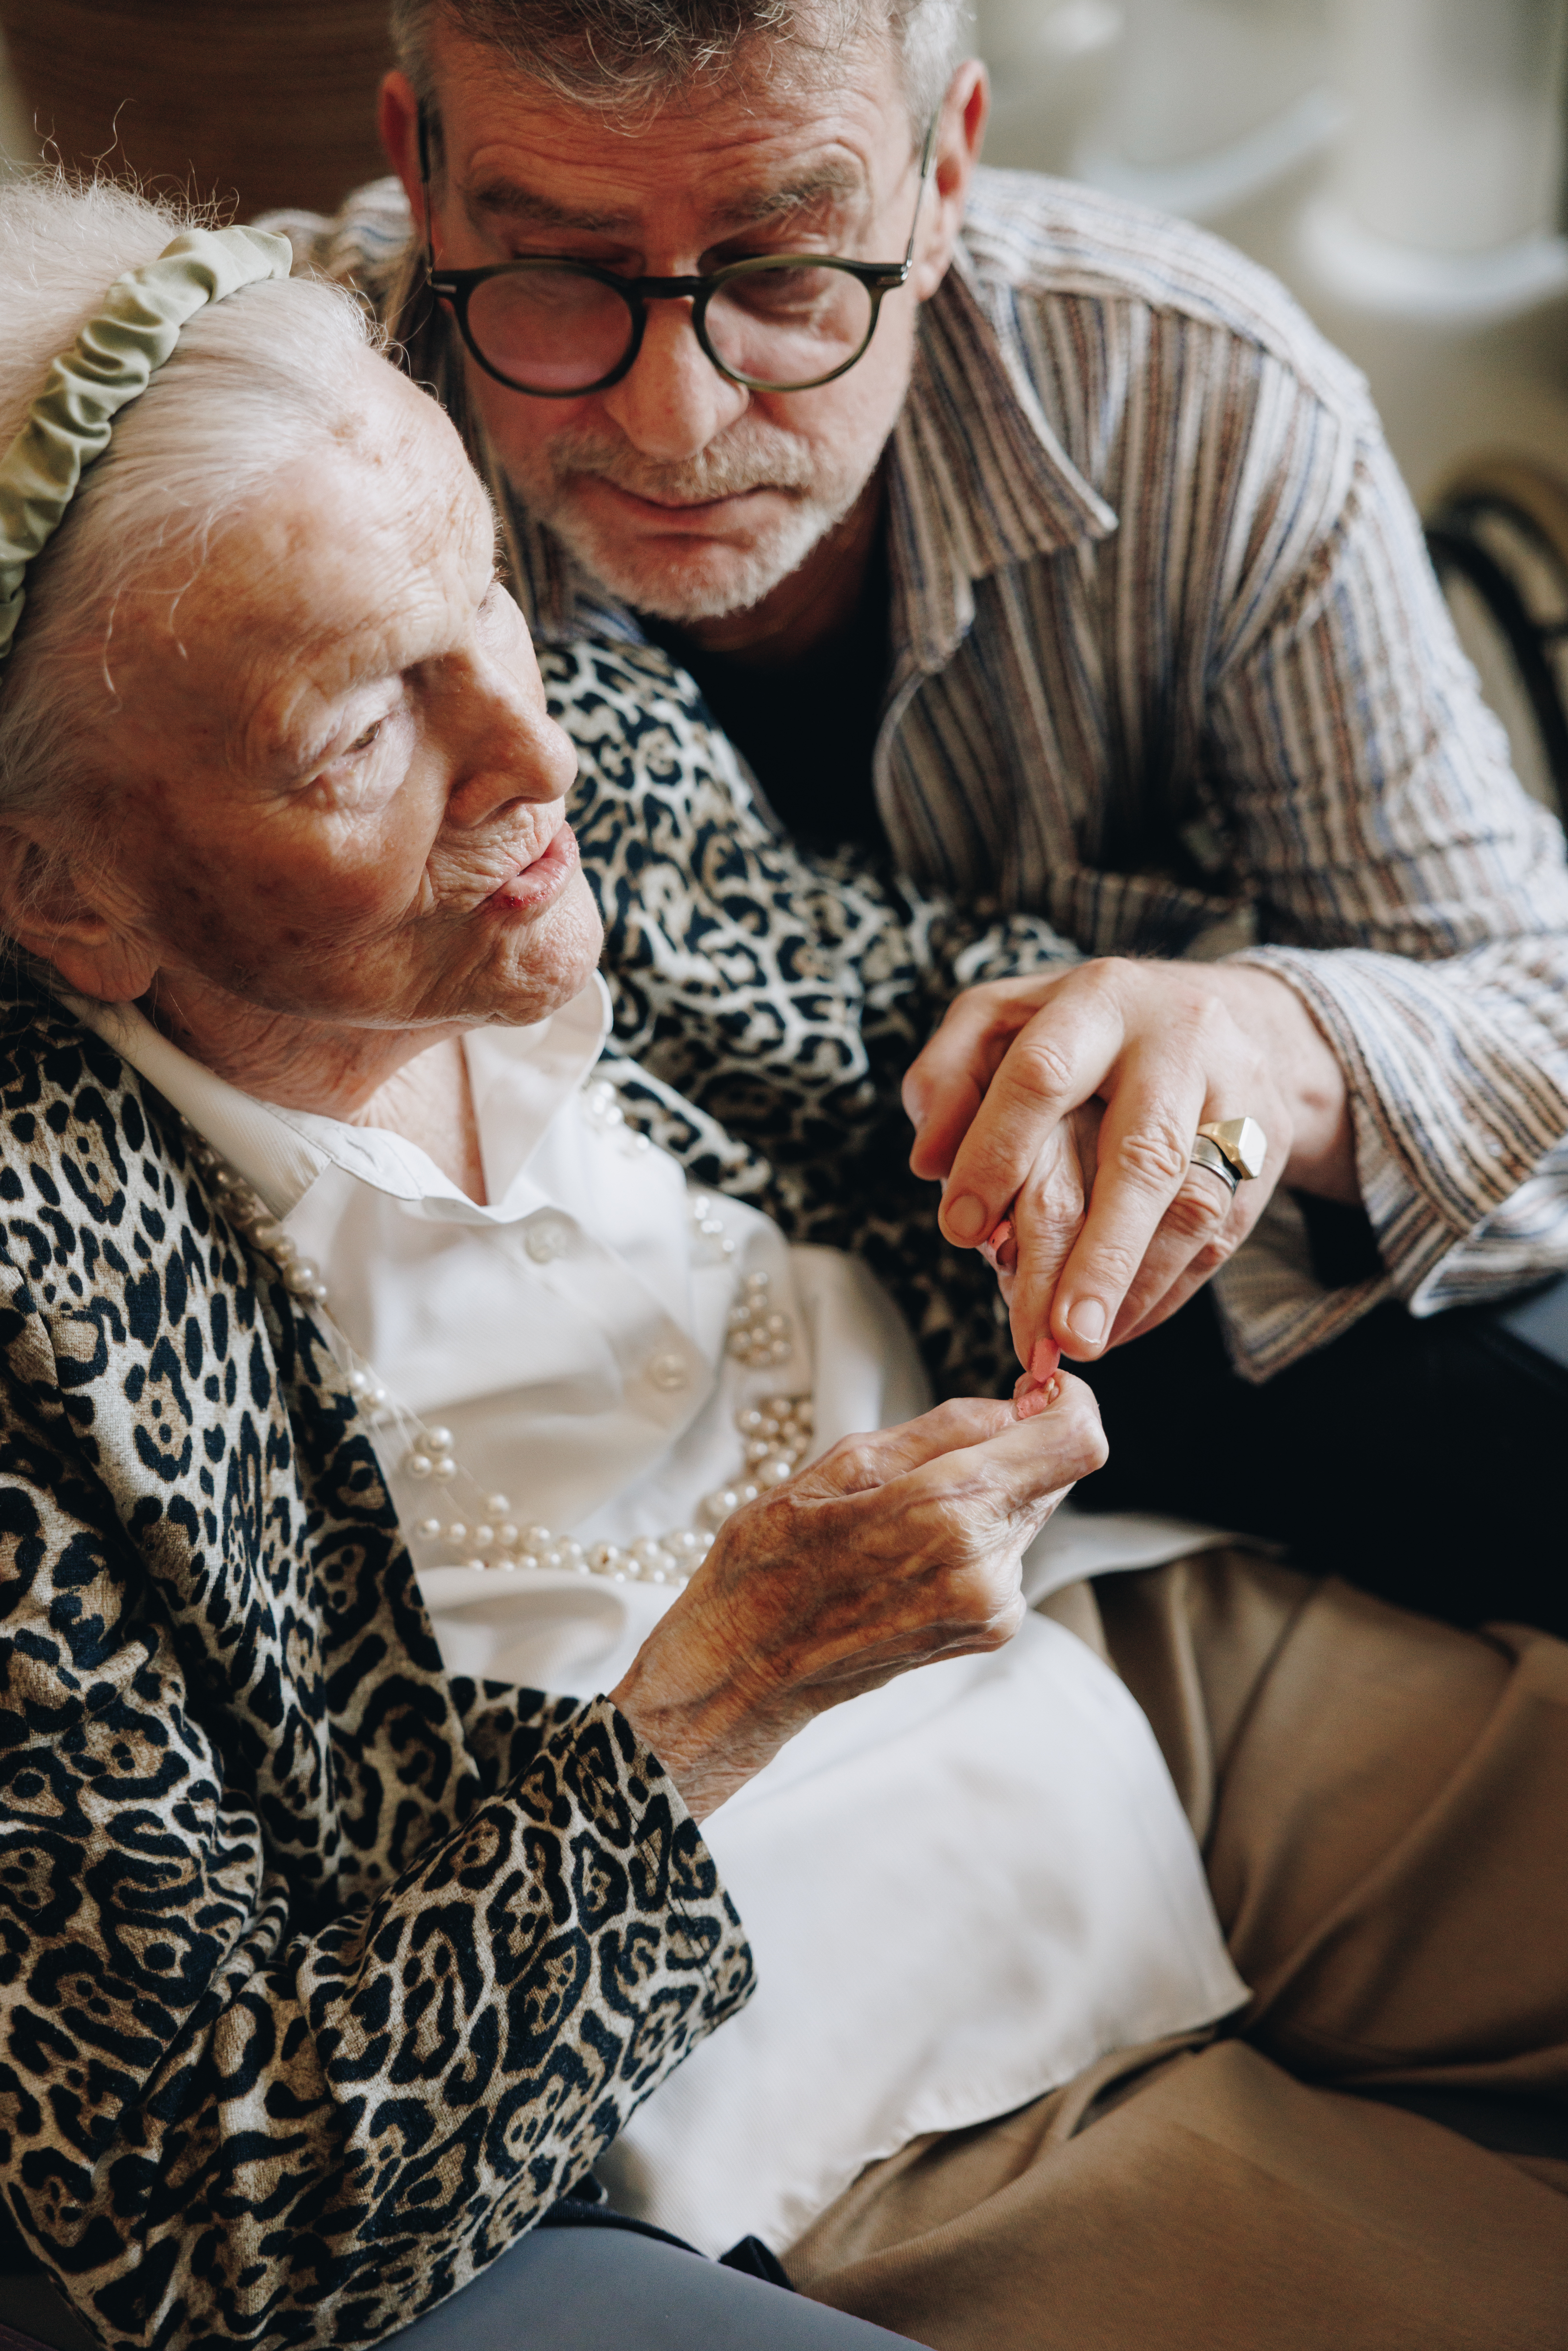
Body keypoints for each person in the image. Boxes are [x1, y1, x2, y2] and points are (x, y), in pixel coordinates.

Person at [1, 178, 1567, 2351]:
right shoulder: (32, 1308)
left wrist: (1192, 1053)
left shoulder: (587, 770)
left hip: (1107, 1657)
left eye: (487, 599)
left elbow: (943, 1010)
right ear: (65, 897)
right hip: (799, 2008)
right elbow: (216, 2212)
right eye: (361, 734)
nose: (537, 760)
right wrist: (723, 1690)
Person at [267, 0, 1568, 1631]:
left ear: (943, 172)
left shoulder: (1202, 406)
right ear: (421, 169)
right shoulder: (252, 435)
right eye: (559, 275)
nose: (676, 422)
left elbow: (1534, 1009)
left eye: (783, 274)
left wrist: (1262, 1042)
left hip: (1150, 1334)